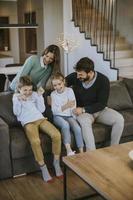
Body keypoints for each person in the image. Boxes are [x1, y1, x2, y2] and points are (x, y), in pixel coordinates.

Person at [66, 57, 124, 150]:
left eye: (81, 74)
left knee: (119, 119)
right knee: (84, 122)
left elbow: (102, 104)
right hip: (84, 114)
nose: (77, 77)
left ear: (90, 73)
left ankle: (114, 149)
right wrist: (50, 95)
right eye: (77, 73)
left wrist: (84, 109)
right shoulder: (75, 77)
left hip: (99, 110)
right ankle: (92, 154)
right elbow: (60, 83)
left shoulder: (103, 80)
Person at [12, 75, 63, 182]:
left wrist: (39, 96)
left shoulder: (35, 94)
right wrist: (19, 100)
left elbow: (41, 109)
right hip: (28, 123)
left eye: (30, 89)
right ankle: (43, 169)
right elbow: (17, 113)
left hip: (40, 119)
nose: (28, 92)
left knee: (56, 135)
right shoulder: (16, 97)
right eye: (25, 90)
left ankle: (56, 163)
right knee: (35, 141)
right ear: (19, 89)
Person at [51, 72, 84, 156]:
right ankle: (68, 150)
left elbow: (73, 105)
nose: (57, 87)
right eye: (55, 85)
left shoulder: (69, 91)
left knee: (77, 128)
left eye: (59, 84)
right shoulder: (53, 94)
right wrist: (66, 106)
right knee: (65, 125)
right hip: (57, 117)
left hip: (69, 115)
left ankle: (81, 152)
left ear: (64, 82)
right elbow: (54, 111)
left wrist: (74, 118)